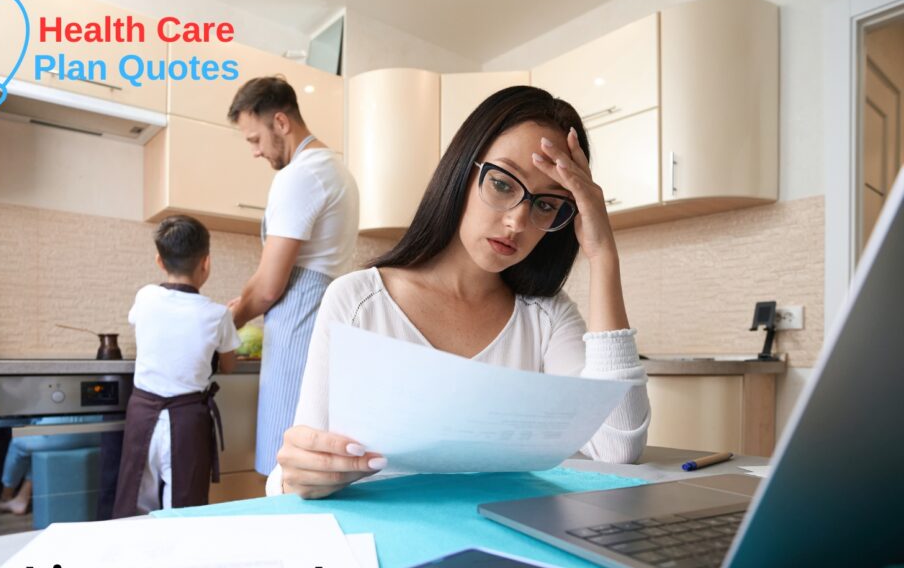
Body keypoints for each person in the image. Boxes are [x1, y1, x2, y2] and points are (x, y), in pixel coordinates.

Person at [269, 86, 651, 499]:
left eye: (546, 205)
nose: (517, 222)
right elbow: (294, 474)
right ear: (462, 172)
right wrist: (295, 477)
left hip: (504, 545)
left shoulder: (547, 317)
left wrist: (603, 254)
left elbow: (617, 447)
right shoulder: (358, 300)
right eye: (503, 185)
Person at [226, 76, 360, 477]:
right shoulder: (336, 169)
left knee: (286, 463)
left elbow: (269, 286)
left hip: (299, 326)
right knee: (314, 463)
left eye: (255, 139)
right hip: (324, 321)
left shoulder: (299, 175)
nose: (255, 151)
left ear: (281, 123)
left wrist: (229, 320)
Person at [112, 215, 240, 516]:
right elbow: (230, 365)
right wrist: (230, 320)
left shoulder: (145, 297)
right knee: (184, 510)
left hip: (142, 415)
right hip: (186, 422)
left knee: (134, 503)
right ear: (206, 263)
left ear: (159, 260)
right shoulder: (217, 314)